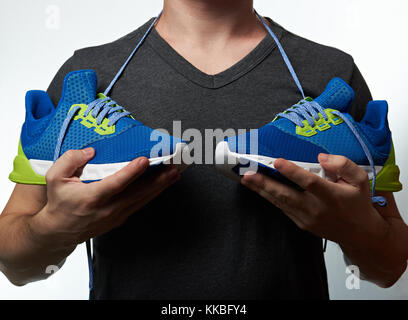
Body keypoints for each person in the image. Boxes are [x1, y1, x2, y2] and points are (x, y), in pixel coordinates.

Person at [0, 0, 406, 299]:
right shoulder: (90, 72)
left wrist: (358, 230)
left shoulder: (330, 70)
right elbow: (14, 264)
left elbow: (388, 267)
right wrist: (54, 229)